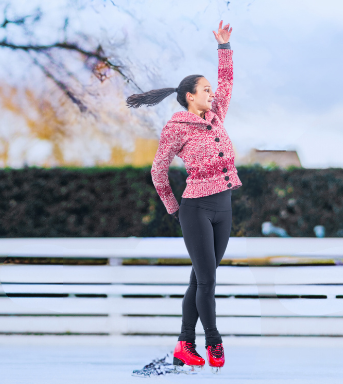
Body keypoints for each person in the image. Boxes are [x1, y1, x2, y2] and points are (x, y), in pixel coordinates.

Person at [126, 21, 237, 373]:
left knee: (198, 278)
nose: (211, 94)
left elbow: (227, 84)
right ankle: (214, 342)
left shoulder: (216, 117)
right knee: (207, 281)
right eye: (205, 89)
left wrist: (224, 48)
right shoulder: (176, 127)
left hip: (224, 206)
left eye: (210, 90)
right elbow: (158, 171)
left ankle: (183, 346)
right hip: (196, 209)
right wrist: (175, 209)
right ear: (190, 95)